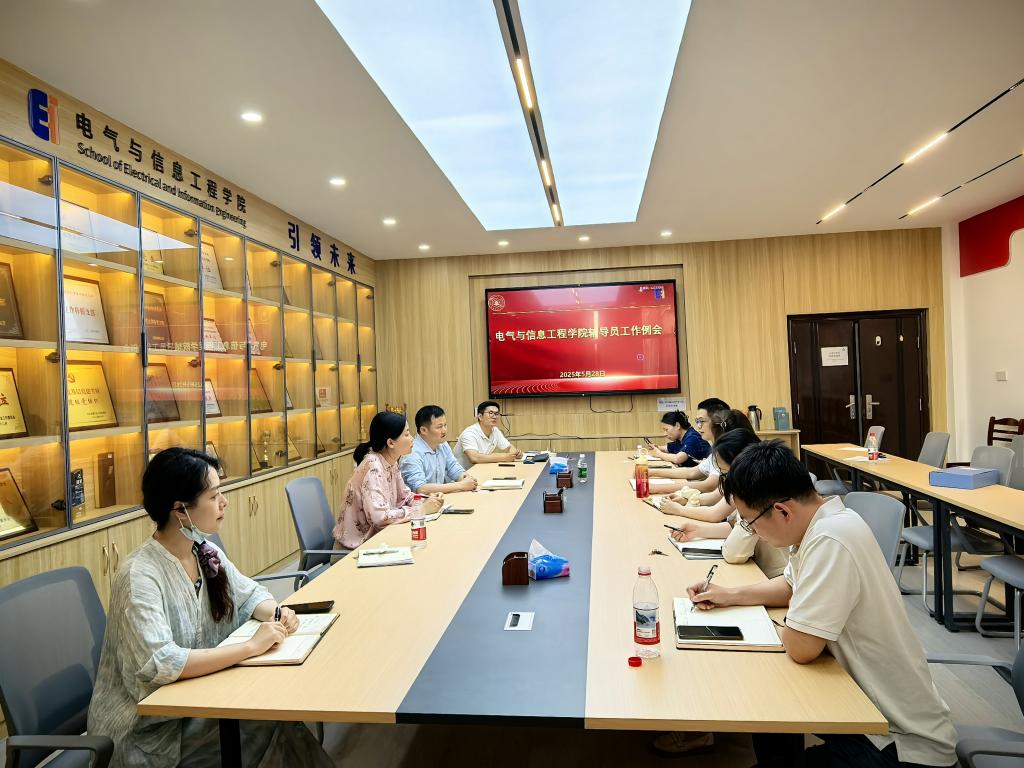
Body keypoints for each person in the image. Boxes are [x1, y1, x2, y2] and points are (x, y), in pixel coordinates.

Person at [687, 441, 958, 767]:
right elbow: (790, 585)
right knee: (771, 704)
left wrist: (785, 624)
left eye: (750, 522)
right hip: (869, 716)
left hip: (898, 743)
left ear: (782, 511)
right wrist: (729, 595)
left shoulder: (831, 539)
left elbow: (801, 647)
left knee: (767, 692)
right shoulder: (823, 524)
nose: (751, 530)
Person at [87, 447, 332, 768]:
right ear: (180, 510)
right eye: (214, 496)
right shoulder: (140, 576)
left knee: (273, 714)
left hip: (199, 700)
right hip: (151, 734)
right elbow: (163, 663)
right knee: (266, 719)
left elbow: (249, 594)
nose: (224, 502)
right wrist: (250, 647)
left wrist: (276, 612)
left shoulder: (203, 550)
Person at [667, 429, 789, 577]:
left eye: (724, 472)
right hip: (761, 568)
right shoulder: (754, 484)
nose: (723, 478)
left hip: (771, 574)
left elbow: (732, 553)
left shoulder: (756, 494)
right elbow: (735, 526)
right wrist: (698, 531)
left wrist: (680, 509)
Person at [334, 411, 443, 550]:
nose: (412, 439)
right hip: (356, 548)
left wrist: (427, 500)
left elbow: (404, 497)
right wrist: (421, 509)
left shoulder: (391, 462)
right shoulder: (374, 467)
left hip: (378, 539)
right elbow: (380, 517)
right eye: (407, 434)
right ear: (391, 442)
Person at [400, 405, 479, 494]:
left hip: (439, 497)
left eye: (445, 425)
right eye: (439, 427)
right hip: (421, 501)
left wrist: (465, 478)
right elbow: (421, 488)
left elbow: (453, 467)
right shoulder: (411, 453)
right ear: (423, 430)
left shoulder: (442, 444)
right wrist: (460, 485)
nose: (444, 430)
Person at [454, 400, 522, 469]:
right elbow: (474, 458)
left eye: (497, 413)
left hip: (479, 469)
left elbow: (509, 448)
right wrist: (504, 457)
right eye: (491, 413)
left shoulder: (495, 430)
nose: (494, 417)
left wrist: (516, 453)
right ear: (480, 416)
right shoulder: (469, 433)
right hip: (462, 473)